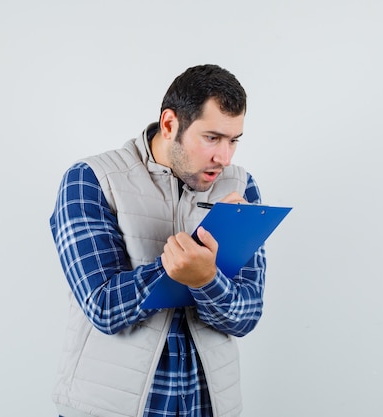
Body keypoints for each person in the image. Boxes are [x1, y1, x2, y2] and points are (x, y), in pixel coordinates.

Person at [49, 64, 266, 417]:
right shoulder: (92, 179)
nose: (224, 158)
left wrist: (207, 280)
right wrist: (182, 268)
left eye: (233, 141)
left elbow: (246, 316)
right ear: (170, 125)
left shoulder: (241, 187)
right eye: (212, 138)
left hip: (207, 407)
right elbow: (103, 307)